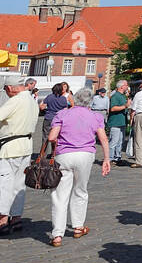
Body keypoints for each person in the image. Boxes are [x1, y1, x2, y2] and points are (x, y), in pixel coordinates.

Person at [46, 87, 112, 246]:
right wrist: (106, 159)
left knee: (60, 195)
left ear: (74, 99)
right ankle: (77, 226)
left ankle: (57, 234)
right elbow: (103, 138)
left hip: (64, 155)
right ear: (90, 102)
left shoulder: (62, 114)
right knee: (80, 190)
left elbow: (51, 137)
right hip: (85, 155)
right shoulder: (95, 116)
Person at [0, 75, 39, 237]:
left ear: (9, 88)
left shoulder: (15, 100)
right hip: (26, 146)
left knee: (3, 183)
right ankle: (16, 218)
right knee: (18, 185)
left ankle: (2, 222)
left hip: (10, 147)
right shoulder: (31, 100)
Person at [108, 80, 130, 163]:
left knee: (120, 141)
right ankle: (110, 158)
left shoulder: (123, 96)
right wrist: (125, 106)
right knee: (114, 141)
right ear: (121, 86)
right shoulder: (115, 96)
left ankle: (118, 157)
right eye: (126, 85)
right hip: (115, 122)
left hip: (122, 122)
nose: (127, 86)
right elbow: (113, 108)